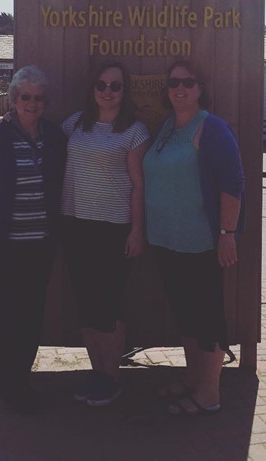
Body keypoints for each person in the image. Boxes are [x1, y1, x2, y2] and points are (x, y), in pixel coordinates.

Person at [143, 60, 244, 417]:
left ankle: (210, 393)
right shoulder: (168, 126)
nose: (179, 88)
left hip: (200, 242)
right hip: (166, 241)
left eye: (187, 82)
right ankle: (192, 380)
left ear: (200, 88)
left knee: (207, 317)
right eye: (173, 82)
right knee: (185, 314)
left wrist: (227, 234)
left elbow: (232, 186)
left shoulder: (212, 128)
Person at [0, 66, 67, 413]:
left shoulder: (54, 137)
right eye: (26, 97)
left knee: (31, 314)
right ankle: (5, 381)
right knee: (5, 314)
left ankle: (21, 378)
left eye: (38, 98)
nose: (32, 103)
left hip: (41, 243)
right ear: (14, 99)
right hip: (5, 244)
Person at [61, 61, 149, 407]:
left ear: (124, 92)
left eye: (116, 86)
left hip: (114, 228)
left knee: (107, 305)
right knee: (86, 303)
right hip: (74, 224)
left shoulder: (134, 131)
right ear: (93, 88)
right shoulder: (74, 124)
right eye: (102, 85)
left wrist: (138, 231)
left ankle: (112, 377)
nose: (108, 92)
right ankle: (98, 373)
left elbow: (140, 185)